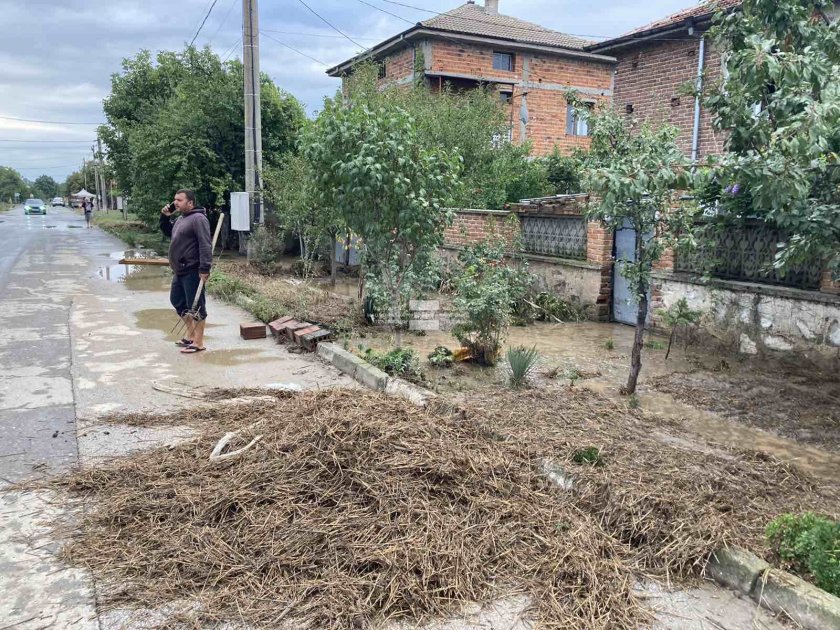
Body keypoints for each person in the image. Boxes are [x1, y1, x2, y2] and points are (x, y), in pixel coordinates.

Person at [159, 189, 213, 354]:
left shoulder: (198, 219)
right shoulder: (181, 219)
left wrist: (205, 268)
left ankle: (199, 342)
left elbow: (205, 244)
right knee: (178, 302)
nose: (175, 202)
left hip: (193, 270)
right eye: (175, 199)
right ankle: (190, 335)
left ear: (190, 202)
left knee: (196, 307)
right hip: (179, 270)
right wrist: (165, 216)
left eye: (180, 200)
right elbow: (169, 233)